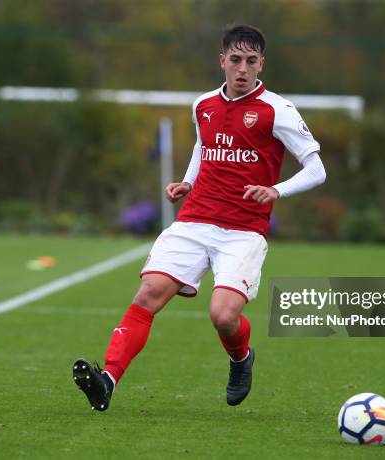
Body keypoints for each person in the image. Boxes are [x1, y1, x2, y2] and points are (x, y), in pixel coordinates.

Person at [72, 24, 326, 411]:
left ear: (262, 65)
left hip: (243, 231)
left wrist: (277, 190)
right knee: (147, 295)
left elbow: (316, 169)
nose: (243, 69)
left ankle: (241, 359)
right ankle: (107, 380)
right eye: (236, 60)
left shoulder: (278, 110)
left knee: (223, 316)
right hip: (194, 220)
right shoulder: (203, 104)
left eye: (251, 61)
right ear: (222, 60)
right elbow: (203, 146)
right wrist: (188, 182)